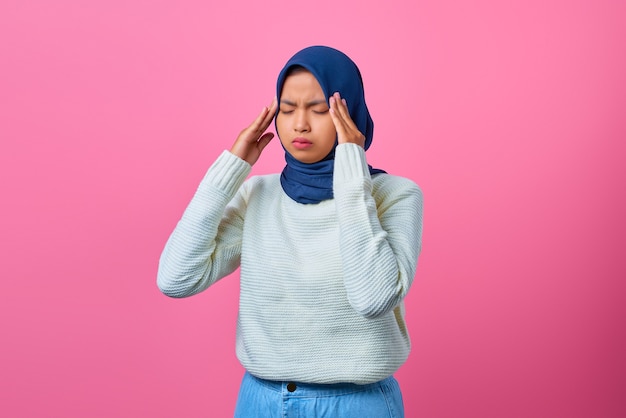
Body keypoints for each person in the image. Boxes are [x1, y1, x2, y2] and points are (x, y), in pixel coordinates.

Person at [157, 45, 424, 418]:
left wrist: (350, 168)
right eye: (286, 109)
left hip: (356, 405)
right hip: (260, 402)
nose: (300, 124)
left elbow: (373, 298)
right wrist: (230, 170)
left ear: (352, 115)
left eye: (319, 110)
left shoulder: (394, 195)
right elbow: (176, 279)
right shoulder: (257, 196)